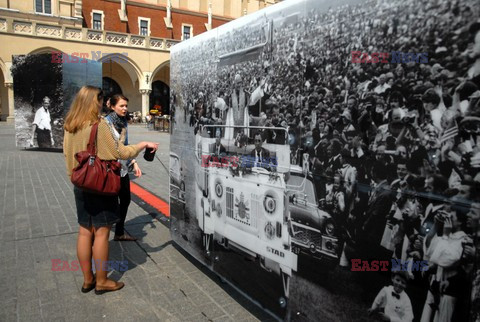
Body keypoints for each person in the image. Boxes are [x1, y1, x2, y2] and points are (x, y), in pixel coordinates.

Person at [63, 86, 158, 294]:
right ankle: (103, 281)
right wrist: (142, 144)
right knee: (101, 233)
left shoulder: (70, 125)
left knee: (84, 231)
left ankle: (88, 279)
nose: (101, 104)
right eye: (100, 100)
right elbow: (118, 152)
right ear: (93, 101)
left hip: (80, 183)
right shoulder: (99, 125)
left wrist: (75, 176)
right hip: (99, 185)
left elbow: (67, 155)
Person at [105, 94, 140, 241]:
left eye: (126, 105)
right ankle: (102, 234)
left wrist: (133, 161)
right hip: (109, 168)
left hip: (123, 168)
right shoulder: (106, 123)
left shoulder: (124, 122)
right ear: (112, 106)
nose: (125, 108)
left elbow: (125, 144)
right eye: (121, 106)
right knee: (110, 202)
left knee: (125, 199)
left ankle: (119, 232)